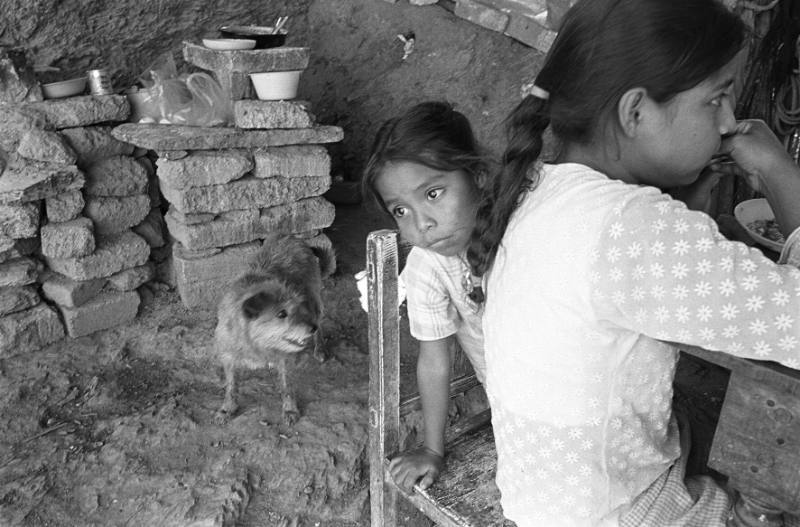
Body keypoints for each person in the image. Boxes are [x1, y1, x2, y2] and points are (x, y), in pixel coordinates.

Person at [465, 0, 800, 525]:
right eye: (717, 99)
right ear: (635, 111)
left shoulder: (536, 186)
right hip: (626, 513)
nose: (731, 121)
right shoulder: (631, 225)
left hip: (546, 498)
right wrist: (782, 172)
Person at [362, 101, 490, 491]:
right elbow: (434, 359)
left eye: (433, 193)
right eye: (401, 210)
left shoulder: (525, 231)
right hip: (520, 416)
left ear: (478, 176)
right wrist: (433, 450)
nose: (423, 224)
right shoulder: (427, 266)